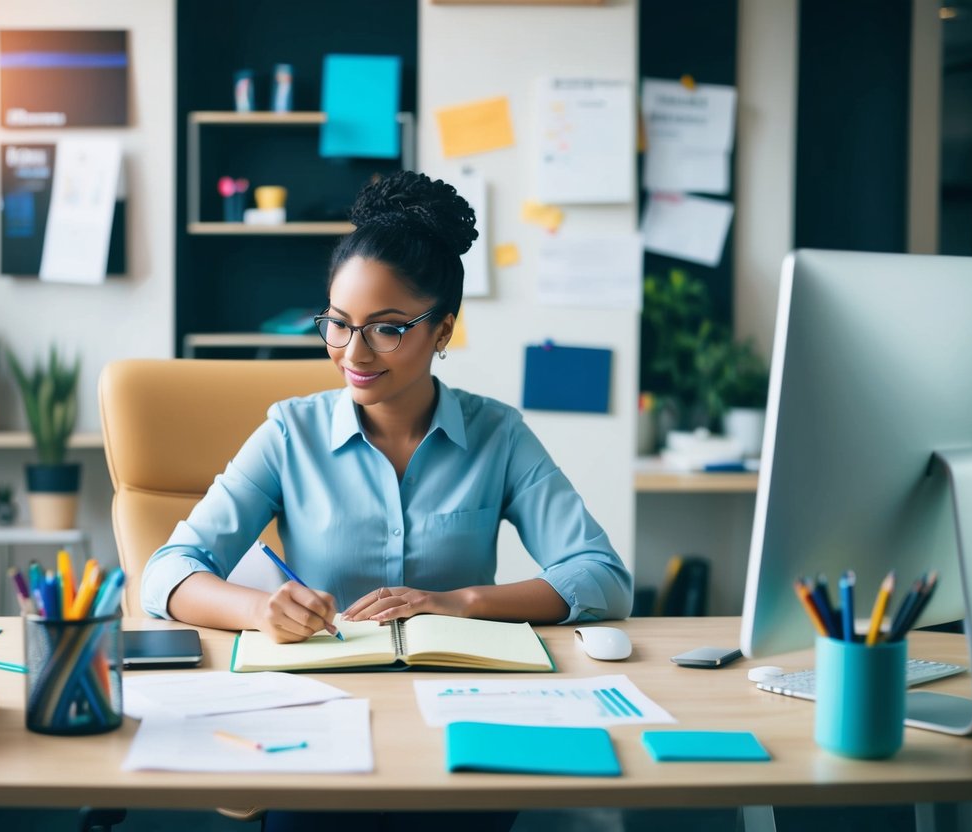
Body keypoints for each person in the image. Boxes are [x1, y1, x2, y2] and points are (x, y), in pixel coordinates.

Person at [142, 171, 632, 830]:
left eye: (387, 329)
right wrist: (262, 609)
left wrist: (461, 602)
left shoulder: (497, 434)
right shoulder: (290, 432)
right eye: (337, 325)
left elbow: (601, 575)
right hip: (317, 720)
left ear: (443, 330)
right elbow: (168, 570)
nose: (353, 352)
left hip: (461, 719)